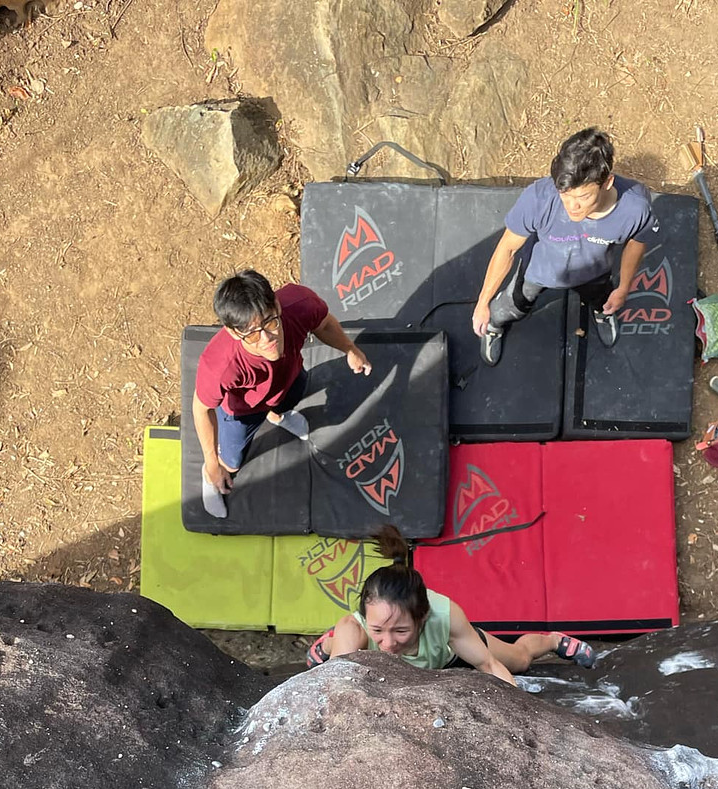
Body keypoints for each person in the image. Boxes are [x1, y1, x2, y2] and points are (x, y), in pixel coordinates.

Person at [306, 528, 596, 684]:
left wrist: (521, 713)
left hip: (445, 655)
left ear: (423, 618)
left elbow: (488, 665)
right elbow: (336, 688)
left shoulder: (445, 616)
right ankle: (329, 643)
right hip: (352, 640)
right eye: (378, 630)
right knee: (343, 643)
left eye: (401, 631)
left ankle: (552, 640)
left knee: (519, 661)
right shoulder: (354, 630)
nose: (389, 643)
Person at [192, 269, 372, 518]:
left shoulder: (301, 304)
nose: (267, 339)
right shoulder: (219, 365)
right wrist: (213, 463)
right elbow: (201, 408)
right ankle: (209, 475)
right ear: (233, 333)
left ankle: (277, 415)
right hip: (243, 410)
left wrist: (350, 349)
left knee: (291, 398)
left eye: (270, 322)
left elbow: (325, 324)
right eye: (252, 334)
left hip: (289, 379)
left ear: (277, 304)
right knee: (231, 462)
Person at [472, 128, 654, 364]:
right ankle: (495, 326)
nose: (572, 206)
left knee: (604, 302)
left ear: (607, 182)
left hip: (594, 273)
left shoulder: (635, 208)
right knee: (509, 308)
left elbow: (637, 243)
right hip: (538, 271)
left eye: (583, 197)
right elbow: (507, 248)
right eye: (565, 194)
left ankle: (601, 313)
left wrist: (624, 288)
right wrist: (483, 302)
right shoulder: (538, 199)